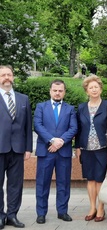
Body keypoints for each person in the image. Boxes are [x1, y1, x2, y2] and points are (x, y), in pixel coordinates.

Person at [34, 79, 78, 224]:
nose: (57, 93)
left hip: (63, 152)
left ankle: (62, 211)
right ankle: (41, 213)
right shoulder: (41, 107)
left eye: (60, 91)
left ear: (64, 92)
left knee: (64, 183)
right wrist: (52, 140)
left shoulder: (70, 109)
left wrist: (60, 142)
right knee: (42, 183)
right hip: (45, 151)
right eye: (55, 90)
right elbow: (38, 126)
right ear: (50, 91)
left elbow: (73, 128)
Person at [0, 65, 32, 229]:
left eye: (9, 74)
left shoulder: (23, 99)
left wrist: (28, 148)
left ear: (13, 77)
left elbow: (28, 125)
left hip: (18, 149)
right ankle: (0, 216)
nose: (6, 77)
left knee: (15, 184)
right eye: (3, 75)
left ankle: (12, 215)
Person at [75, 75, 107, 222]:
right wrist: (77, 147)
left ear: (101, 89)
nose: (94, 90)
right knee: (90, 179)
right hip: (86, 148)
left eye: (96, 87)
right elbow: (78, 129)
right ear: (87, 91)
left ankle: (101, 208)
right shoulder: (81, 107)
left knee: (100, 179)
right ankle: (92, 207)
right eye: (91, 88)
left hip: (103, 147)